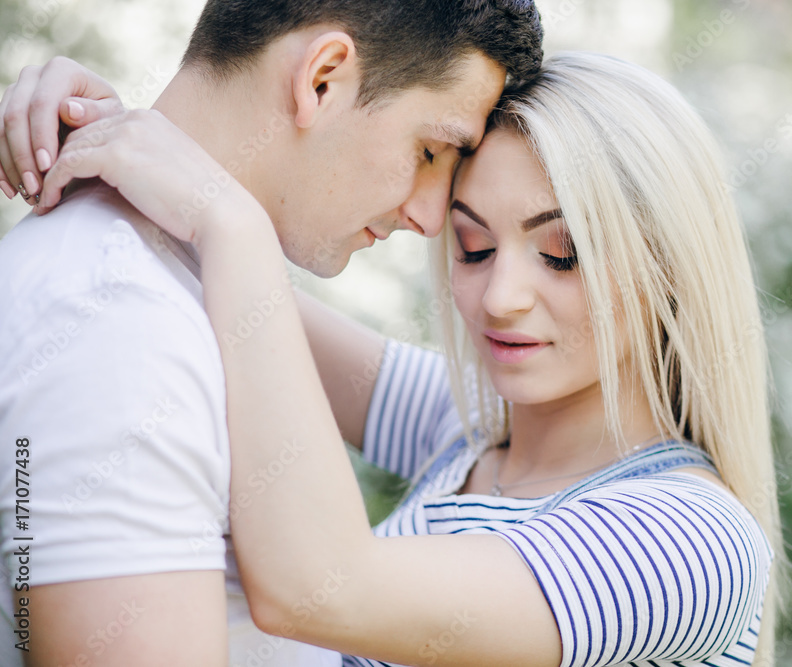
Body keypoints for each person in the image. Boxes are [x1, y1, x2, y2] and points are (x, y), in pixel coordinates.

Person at [2, 51, 786, 665]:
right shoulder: (476, 427)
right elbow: (227, 299)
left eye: (563, 255)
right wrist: (107, 135)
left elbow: (319, 589)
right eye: (473, 246)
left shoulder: (694, 541)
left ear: (667, 267)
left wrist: (228, 220)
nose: (500, 297)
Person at [0, 1, 542, 665]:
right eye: (429, 150)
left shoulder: (199, 280)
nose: (431, 218)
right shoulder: (118, 323)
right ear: (322, 77)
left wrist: (209, 207)